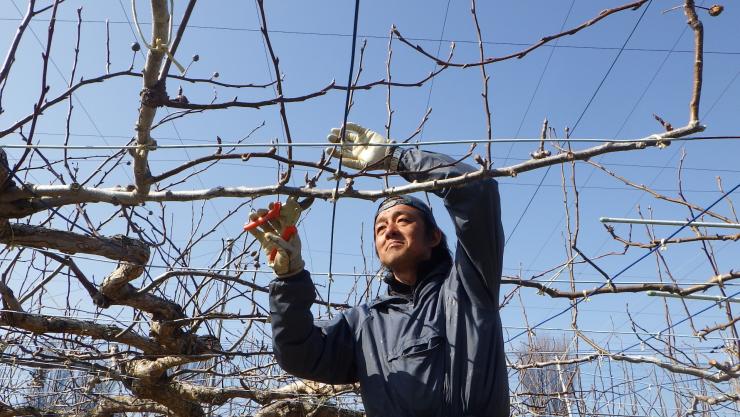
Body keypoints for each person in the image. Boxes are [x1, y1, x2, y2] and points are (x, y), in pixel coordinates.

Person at [247, 123, 509, 416]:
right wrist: (290, 279)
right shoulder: (363, 324)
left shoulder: (467, 287)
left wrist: (396, 158)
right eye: (380, 227)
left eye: (403, 220)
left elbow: (477, 190)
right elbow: (299, 354)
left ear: (434, 236)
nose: (389, 231)